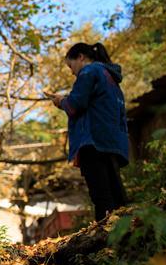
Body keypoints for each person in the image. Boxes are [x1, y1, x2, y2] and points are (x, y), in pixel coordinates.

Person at [46, 42, 129, 221]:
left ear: (81, 57)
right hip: (112, 142)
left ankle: (107, 239)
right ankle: (126, 231)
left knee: (101, 197)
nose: (71, 71)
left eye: (71, 65)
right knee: (116, 194)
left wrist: (61, 102)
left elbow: (76, 105)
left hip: (93, 143)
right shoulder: (111, 78)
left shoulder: (89, 71)